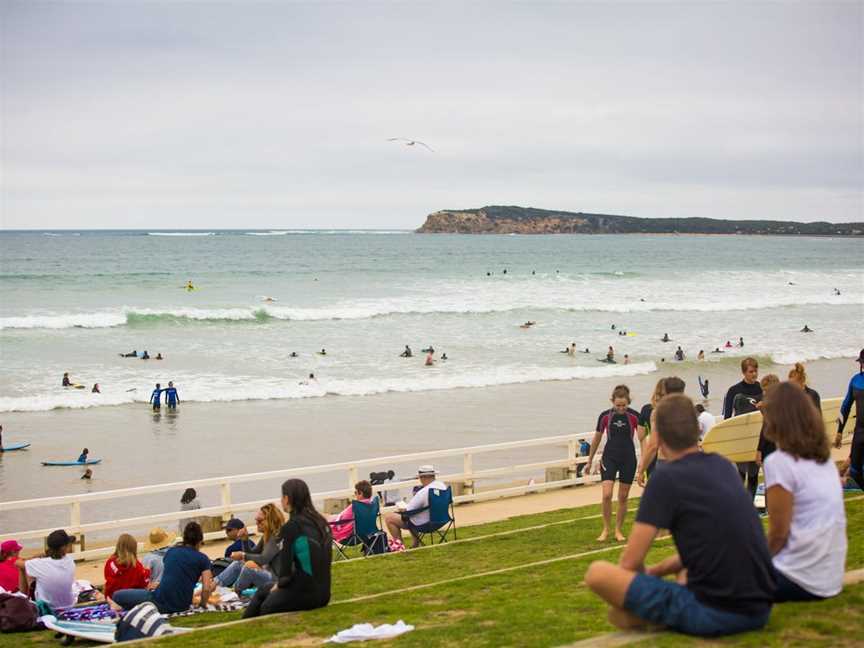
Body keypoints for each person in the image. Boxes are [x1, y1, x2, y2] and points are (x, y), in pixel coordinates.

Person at [584, 394, 775, 637]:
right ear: (697, 429)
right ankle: (667, 606)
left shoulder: (665, 479)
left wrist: (641, 581)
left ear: (659, 437)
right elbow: (716, 541)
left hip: (718, 612)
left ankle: (664, 613)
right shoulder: (722, 466)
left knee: (598, 575)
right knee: (679, 573)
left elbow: (629, 563)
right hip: (760, 606)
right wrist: (656, 572)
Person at [762, 382, 847, 601]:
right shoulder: (824, 459)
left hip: (800, 578)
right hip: (830, 577)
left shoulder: (779, 463)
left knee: (724, 573)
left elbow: (778, 535)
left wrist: (755, 563)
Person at [244, 479, 332, 618]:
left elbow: (285, 575)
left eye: (282, 497)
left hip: (304, 595)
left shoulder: (291, 527)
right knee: (263, 590)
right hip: (324, 594)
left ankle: (246, 626)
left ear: (286, 499)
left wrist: (278, 587)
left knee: (266, 605)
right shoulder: (322, 522)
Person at [112, 522, 214, 613]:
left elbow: (172, 574)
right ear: (199, 541)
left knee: (117, 595)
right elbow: (206, 588)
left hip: (159, 600)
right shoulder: (203, 559)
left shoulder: (171, 552)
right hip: (182, 605)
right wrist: (203, 604)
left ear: (184, 538)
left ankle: (136, 608)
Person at [586, 386, 645, 542]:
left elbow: (642, 439)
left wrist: (643, 462)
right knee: (606, 495)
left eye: (624, 405)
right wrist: (589, 460)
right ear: (612, 401)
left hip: (628, 459)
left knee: (623, 497)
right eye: (618, 405)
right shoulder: (605, 416)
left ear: (628, 402)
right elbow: (597, 438)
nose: (621, 408)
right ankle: (606, 529)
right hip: (609, 457)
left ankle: (618, 530)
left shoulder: (634, 416)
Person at [218, 504, 285, 593]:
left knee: (248, 569)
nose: (257, 523)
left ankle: (234, 593)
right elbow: (254, 554)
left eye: (259, 520)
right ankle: (214, 585)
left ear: (270, 521)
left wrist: (243, 555)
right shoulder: (267, 536)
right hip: (271, 576)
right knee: (238, 564)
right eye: (256, 520)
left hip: (278, 581)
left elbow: (263, 559)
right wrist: (245, 540)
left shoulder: (276, 537)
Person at [723, 357, 763, 500]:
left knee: (753, 475)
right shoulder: (734, 391)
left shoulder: (761, 389)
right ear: (743, 372)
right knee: (740, 475)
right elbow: (726, 417)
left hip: (756, 437)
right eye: (751, 371)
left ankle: (750, 509)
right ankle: (739, 508)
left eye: (756, 371)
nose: (754, 374)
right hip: (739, 438)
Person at [637, 377, 686, 486]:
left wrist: (641, 470)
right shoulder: (687, 410)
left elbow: (653, 445)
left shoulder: (658, 413)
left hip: (665, 463)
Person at [384, 466, 447, 548]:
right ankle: (415, 544)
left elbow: (409, 510)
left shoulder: (423, 492)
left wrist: (402, 509)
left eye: (420, 477)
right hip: (441, 519)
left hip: (425, 524)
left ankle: (399, 546)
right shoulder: (442, 486)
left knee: (389, 518)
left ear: (423, 477)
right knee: (413, 515)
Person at [16, 530, 78, 609]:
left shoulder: (39, 564)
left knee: (26, 571)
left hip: (46, 608)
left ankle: (23, 598)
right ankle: (24, 598)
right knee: (35, 572)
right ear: (64, 548)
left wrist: (34, 557)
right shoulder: (69, 561)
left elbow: (17, 563)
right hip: (69, 604)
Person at [836, 349, 864, 491]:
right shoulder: (856, 380)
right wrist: (839, 432)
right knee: (854, 471)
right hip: (859, 432)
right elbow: (845, 407)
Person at [104, 534, 150, 600]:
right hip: (129, 598)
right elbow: (143, 584)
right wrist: (147, 572)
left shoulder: (110, 562)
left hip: (111, 595)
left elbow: (107, 577)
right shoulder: (137, 566)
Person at [328, 480, 375, 544]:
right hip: (367, 535)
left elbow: (342, 521)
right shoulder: (372, 504)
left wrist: (329, 522)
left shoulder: (356, 506)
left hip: (350, 538)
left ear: (360, 493)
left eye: (356, 492)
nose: (355, 494)